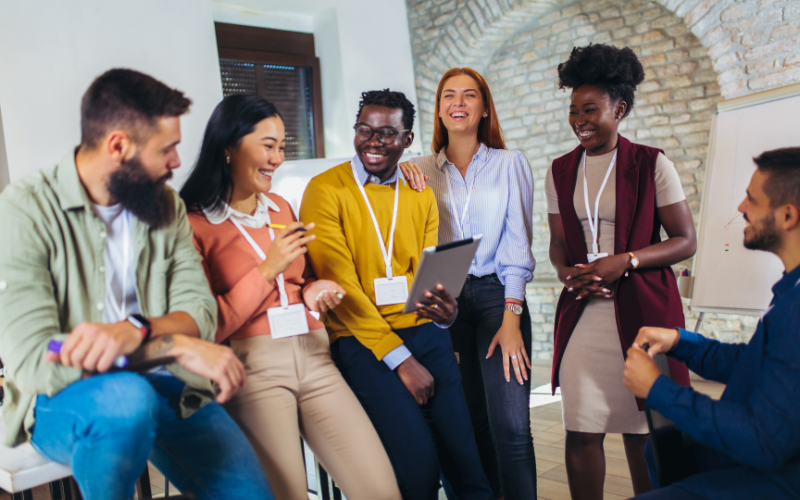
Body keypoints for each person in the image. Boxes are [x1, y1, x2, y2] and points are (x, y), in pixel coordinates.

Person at [0, 69, 274, 499]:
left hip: (168, 385)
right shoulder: (23, 211)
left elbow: (199, 315)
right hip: (63, 394)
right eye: (167, 149)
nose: (177, 162)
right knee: (126, 401)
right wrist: (173, 344)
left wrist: (137, 332)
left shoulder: (165, 206)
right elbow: (36, 356)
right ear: (118, 146)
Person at [180, 94, 401, 500]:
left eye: (282, 147)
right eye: (268, 146)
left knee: (381, 490)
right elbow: (206, 326)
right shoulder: (194, 224)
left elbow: (301, 280)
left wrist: (314, 289)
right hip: (254, 369)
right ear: (228, 147)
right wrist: (268, 268)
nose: (277, 159)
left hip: (316, 357)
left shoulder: (281, 207)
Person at [299, 89, 493, 500]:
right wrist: (401, 360)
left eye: (387, 134)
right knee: (418, 472)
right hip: (362, 341)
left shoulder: (419, 190)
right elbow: (342, 289)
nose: (373, 141)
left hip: (426, 332)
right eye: (365, 130)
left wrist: (446, 312)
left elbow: (425, 274)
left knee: (469, 469)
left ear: (407, 140)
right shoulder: (324, 190)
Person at [545, 44, 696, 500]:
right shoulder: (560, 170)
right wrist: (565, 270)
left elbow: (685, 240)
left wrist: (625, 261)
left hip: (644, 311)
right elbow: (557, 241)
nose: (579, 121)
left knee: (643, 431)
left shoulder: (651, 163)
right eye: (573, 111)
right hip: (583, 314)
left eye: (590, 109)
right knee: (581, 429)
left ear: (620, 108)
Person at [624, 147, 800, 500]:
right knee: (665, 449)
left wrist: (659, 389)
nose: (740, 208)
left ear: (787, 215)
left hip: (779, 476)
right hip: (772, 451)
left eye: (751, 199)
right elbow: (750, 363)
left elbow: (763, 441)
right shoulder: (790, 288)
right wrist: (679, 341)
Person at [399, 67, 537, 500]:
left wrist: (512, 317)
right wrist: (398, 173)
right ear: (438, 111)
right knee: (468, 420)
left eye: (469, 95)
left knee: (511, 424)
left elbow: (518, 243)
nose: (458, 103)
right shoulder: (416, 169)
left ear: (483, 108)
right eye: (449, 96)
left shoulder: (509, 163)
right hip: (445, 299)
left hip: (499, 295)